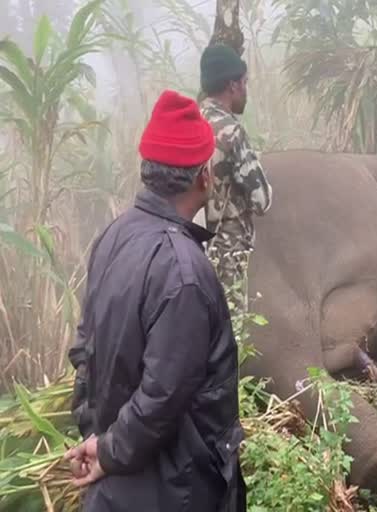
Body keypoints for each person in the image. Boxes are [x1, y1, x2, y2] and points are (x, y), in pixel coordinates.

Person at [65, 90, 246, 512]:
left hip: (119, 487)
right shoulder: (185, 272)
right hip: (173, 490)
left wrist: (97, 436)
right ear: (204, 177)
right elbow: (163, 394)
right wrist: (108, 452)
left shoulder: (114, 235)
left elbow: (83, 348)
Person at [198, 43, 272, 308]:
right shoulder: (231, 131)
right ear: (233, 86)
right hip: (226, 254)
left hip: (189, 250)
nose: (245, 90)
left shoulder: (191, 122)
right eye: (244, 82)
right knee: (230, 331)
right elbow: (261, 201)